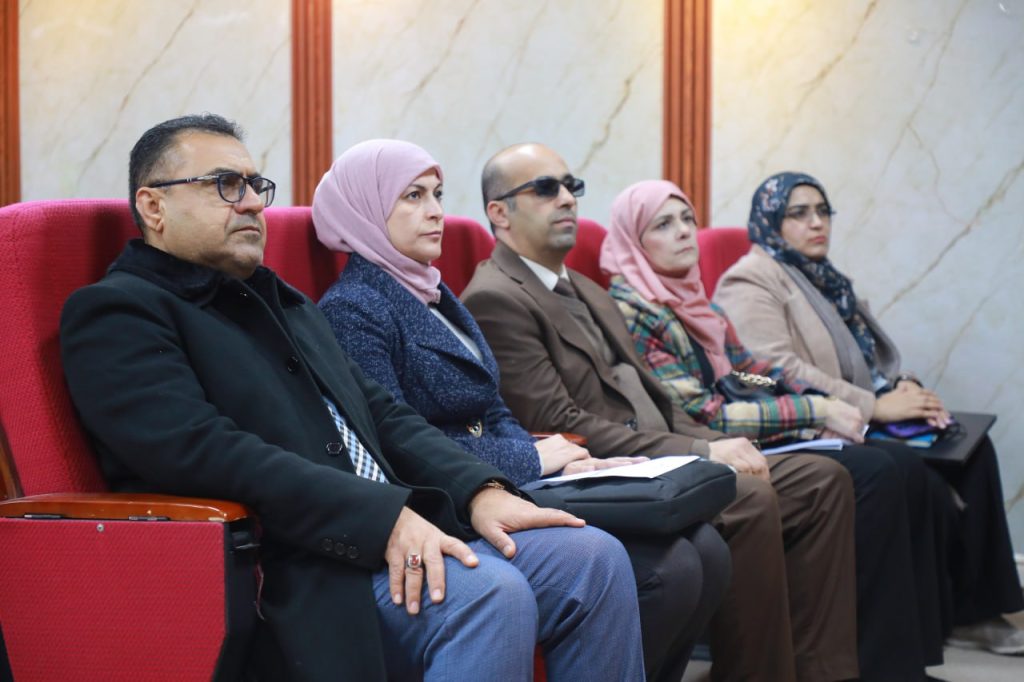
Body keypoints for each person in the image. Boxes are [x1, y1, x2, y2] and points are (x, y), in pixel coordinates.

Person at [58, 114, 647, 682]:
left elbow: (383, 415)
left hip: (396, 521)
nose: (253, 203)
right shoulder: (118, 311)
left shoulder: (278, 300)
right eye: (226, 185)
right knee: (488, 595)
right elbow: (203, 452)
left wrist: (479, 490)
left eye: (255, 185)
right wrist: (380, 517)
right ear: (153, 206)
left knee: (592, 559)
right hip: (295, 562)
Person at [312, 139, 730, 682]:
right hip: (447, 502)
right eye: (413, 196)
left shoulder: (432, 293)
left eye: (437, 194)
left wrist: (552, 455)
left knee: (706, 547)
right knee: (662, 566)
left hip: (501, 477)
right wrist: (531, 460)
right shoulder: (353, 309)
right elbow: (394, 444)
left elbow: (494, 405)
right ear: (364, 209)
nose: (436, 211)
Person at [462, 143, 860, 682]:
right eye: (546, 188)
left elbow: (708, 383)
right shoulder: (504, 297)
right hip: (611, 464)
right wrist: (708, 447)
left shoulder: (595, 289)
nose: (567, 199)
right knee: (749, 494)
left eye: (571, 187)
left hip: (670, 445)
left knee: (824, 479)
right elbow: (563, 422)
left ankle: (823, 672)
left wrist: (738, 426)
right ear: (499, 212)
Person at [601, 178, 959, 679]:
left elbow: (746, 373)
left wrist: (803, 393)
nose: (684, 232)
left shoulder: (695, 301)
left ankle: (856, 662)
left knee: (885, 465)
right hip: (707, 445)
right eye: (663, 224)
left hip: (746, 432)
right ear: (633, 240)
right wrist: (813, 410)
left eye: (687, 219)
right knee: (873, 471)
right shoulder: (634, 312)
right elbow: (705, 411)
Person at [714, 170, 1024, 656]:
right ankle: (921, 631)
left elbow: (866, 356)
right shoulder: (750, 279)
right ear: (769, 221)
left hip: (861, 415)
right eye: (799, 213)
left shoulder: (824, 277)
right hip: (811, 424)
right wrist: (873, 406)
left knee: (972, 448)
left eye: (823, 211)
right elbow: (769, 374)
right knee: (911, 475)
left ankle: (979, 612)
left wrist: (902, 388)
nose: (817, 223)